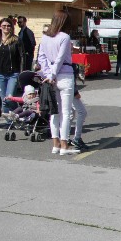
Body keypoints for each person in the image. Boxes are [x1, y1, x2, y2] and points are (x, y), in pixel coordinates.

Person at [37, 10, 79, 156]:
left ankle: (55, 144)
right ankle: (64, 145)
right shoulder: (65, 37)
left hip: (51, 77)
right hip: (65, 75)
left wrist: (49, 74)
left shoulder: (45, 37)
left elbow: (41, 58)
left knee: (54, 112)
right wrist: (53, 73)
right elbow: (61, 58)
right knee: (66, 113)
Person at [0, 17, 25, 117]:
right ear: (0, 27)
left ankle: (18, 113)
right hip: (0, 73)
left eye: (8, 26)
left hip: (13, 73)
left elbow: (22, 57)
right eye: (4, 25)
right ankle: (9, 120)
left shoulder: (17, 40)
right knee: (3, 98)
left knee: (9, 97)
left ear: (11, 27)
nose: (6, 27)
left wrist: (22, 73)